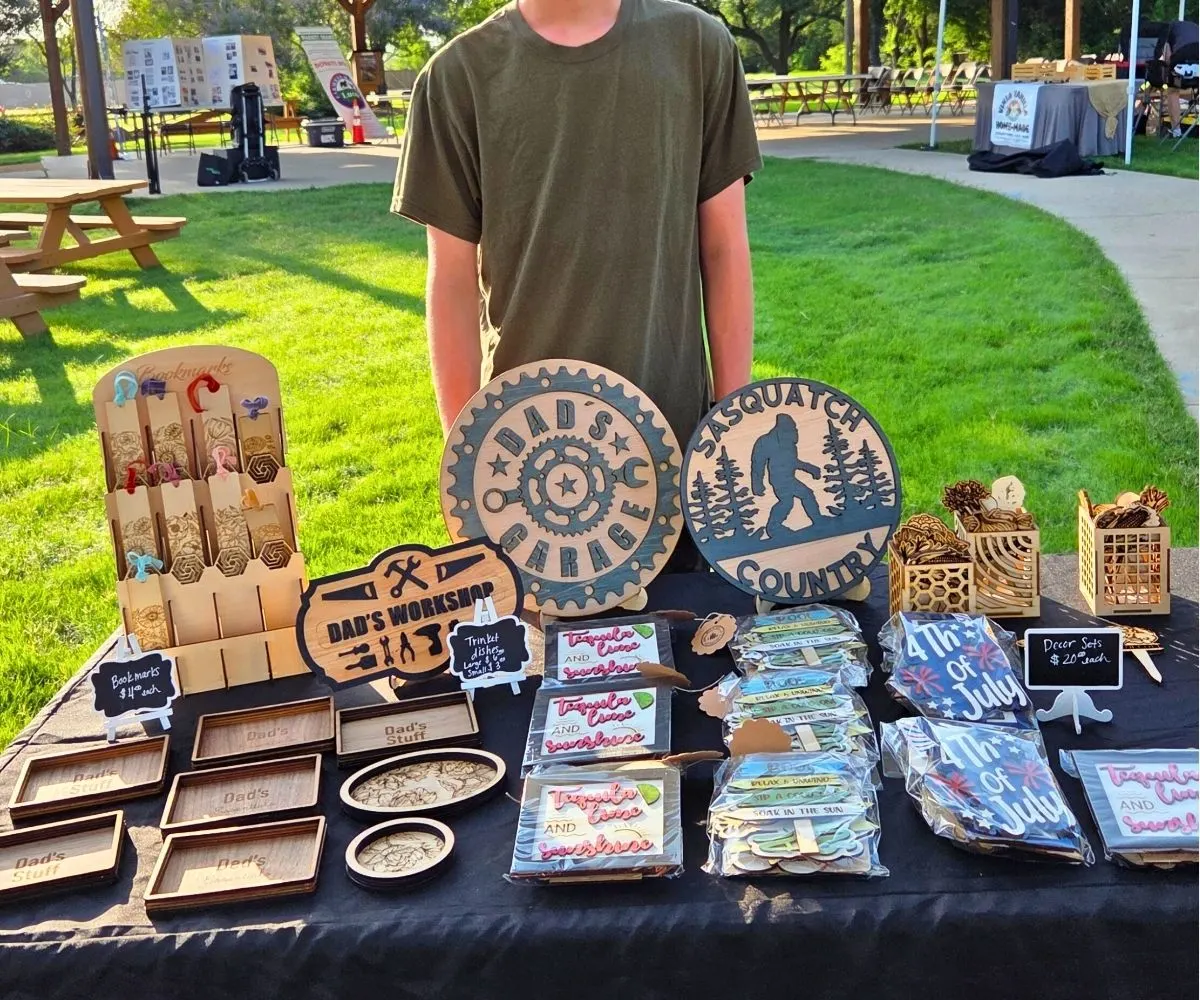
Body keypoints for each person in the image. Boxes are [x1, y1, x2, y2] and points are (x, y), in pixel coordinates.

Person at [391, 0, 762, 450]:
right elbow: (451, 281)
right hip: (520, 449)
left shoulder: (698, 47)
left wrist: (732, 431)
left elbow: (724, 249)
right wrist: (464, 460)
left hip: (675, 439)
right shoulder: (456, 76)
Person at [1155, 19, 1199, 137]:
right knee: (1193, 86)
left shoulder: (1169, 29)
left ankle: (1176, 130)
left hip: (1181, 54)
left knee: (1173, 91)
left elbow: (1167, 56)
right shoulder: (1194, 25)